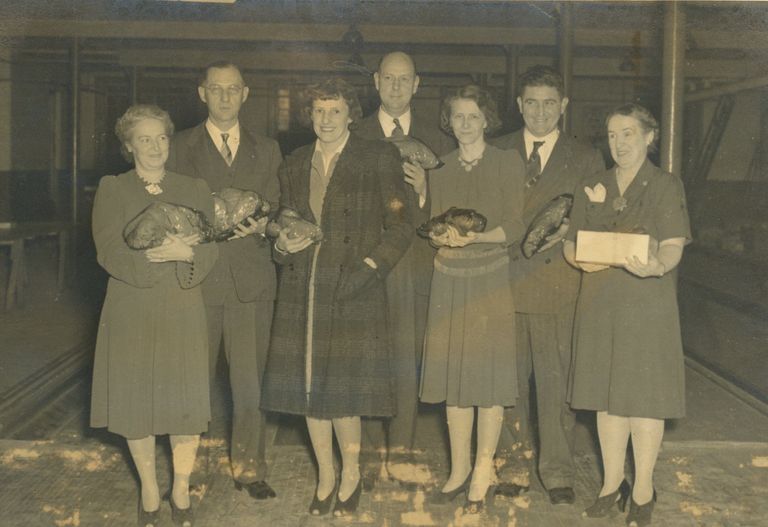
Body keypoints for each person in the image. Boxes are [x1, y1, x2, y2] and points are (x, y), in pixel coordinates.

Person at [260, 78, 412, 517]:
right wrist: (281, 244)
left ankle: (351, 474)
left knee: (343, 391)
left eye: (335, 111)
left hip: (353, 286)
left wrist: (370, 268)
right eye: (319, 111)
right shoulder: (294, 161)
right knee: (310, 388)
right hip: (303, 287)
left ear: (351, 114)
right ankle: (325, 475)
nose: (326, 120)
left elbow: (402, 224)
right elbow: (282, 219)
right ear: (311, 115)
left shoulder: (377, 156)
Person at [90, 104, 219, 527]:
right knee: (136, 404)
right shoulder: (112, 188)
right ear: (129, 146)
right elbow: (108, 250)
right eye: (143, 139)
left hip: (183, 306)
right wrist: (156, 259)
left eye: (161, 138)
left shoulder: (195, 187)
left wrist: (191, 253)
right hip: (131, 307)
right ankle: (148, 489)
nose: (154, 147)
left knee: (184, 404)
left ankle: (180, 488)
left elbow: (213, 243)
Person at [563, 103, 691, 527]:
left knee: (644, 399)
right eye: (613, 134)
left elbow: (672, 244)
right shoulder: (593, 183)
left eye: (628, 134)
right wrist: (579, 260)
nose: (618, 143)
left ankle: (643, 488)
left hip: (645, 303)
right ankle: (611, 483)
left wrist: (658, 266)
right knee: (607, 397)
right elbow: (570, 242)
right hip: (600, 302)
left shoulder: (664, 185)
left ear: (649, 137)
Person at [165, 61, 281, 500]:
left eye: (233, 89)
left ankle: (249, 469)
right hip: (198, 279)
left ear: (246, 94)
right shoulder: (179, 146)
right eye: (217, 89)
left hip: (251, 283)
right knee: (195, 383)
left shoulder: (267, 148)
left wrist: (264, 224)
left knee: (249, 386)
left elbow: (275, 206)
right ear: (202, 93)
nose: (226, 97)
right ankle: (189, 471)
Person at [493, 65, 605, 504]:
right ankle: (512, 467)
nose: (540, 113)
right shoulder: (497, 149)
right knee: (508, 383)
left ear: (564, 107)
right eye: (532, 103)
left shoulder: (587, 157)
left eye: (550, 104)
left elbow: (595, 221)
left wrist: (571, 236)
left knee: (556, 385)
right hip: (501, 284)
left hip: (558, 284)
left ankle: (557, 471)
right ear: (519, 105)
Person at [419, 85, 525, 514]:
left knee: (488, 379)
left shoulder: (506, 161)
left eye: (472, 116)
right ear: (449, 121)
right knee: (455, 380)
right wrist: (439, 231)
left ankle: (484, 469)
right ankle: (460, 467)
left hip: (489, 279)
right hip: (449, 279)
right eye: (457, 116)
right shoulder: (439, 166)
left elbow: (516, 224)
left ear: (487, 120)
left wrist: (477, 237)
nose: (464, 124)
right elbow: (435, 224)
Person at [354, 50, 455, 487]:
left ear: (417, 85)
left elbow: (455, 213)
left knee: (407, 363)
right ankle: (369, 455)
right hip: (367, 267)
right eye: (388, 79)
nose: (396, 87)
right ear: (376, 81)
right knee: (366, 360)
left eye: (405, 80)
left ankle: (403, 452)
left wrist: (428, 191)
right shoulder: (351, 134)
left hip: (415, 267)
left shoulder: (441, 141)